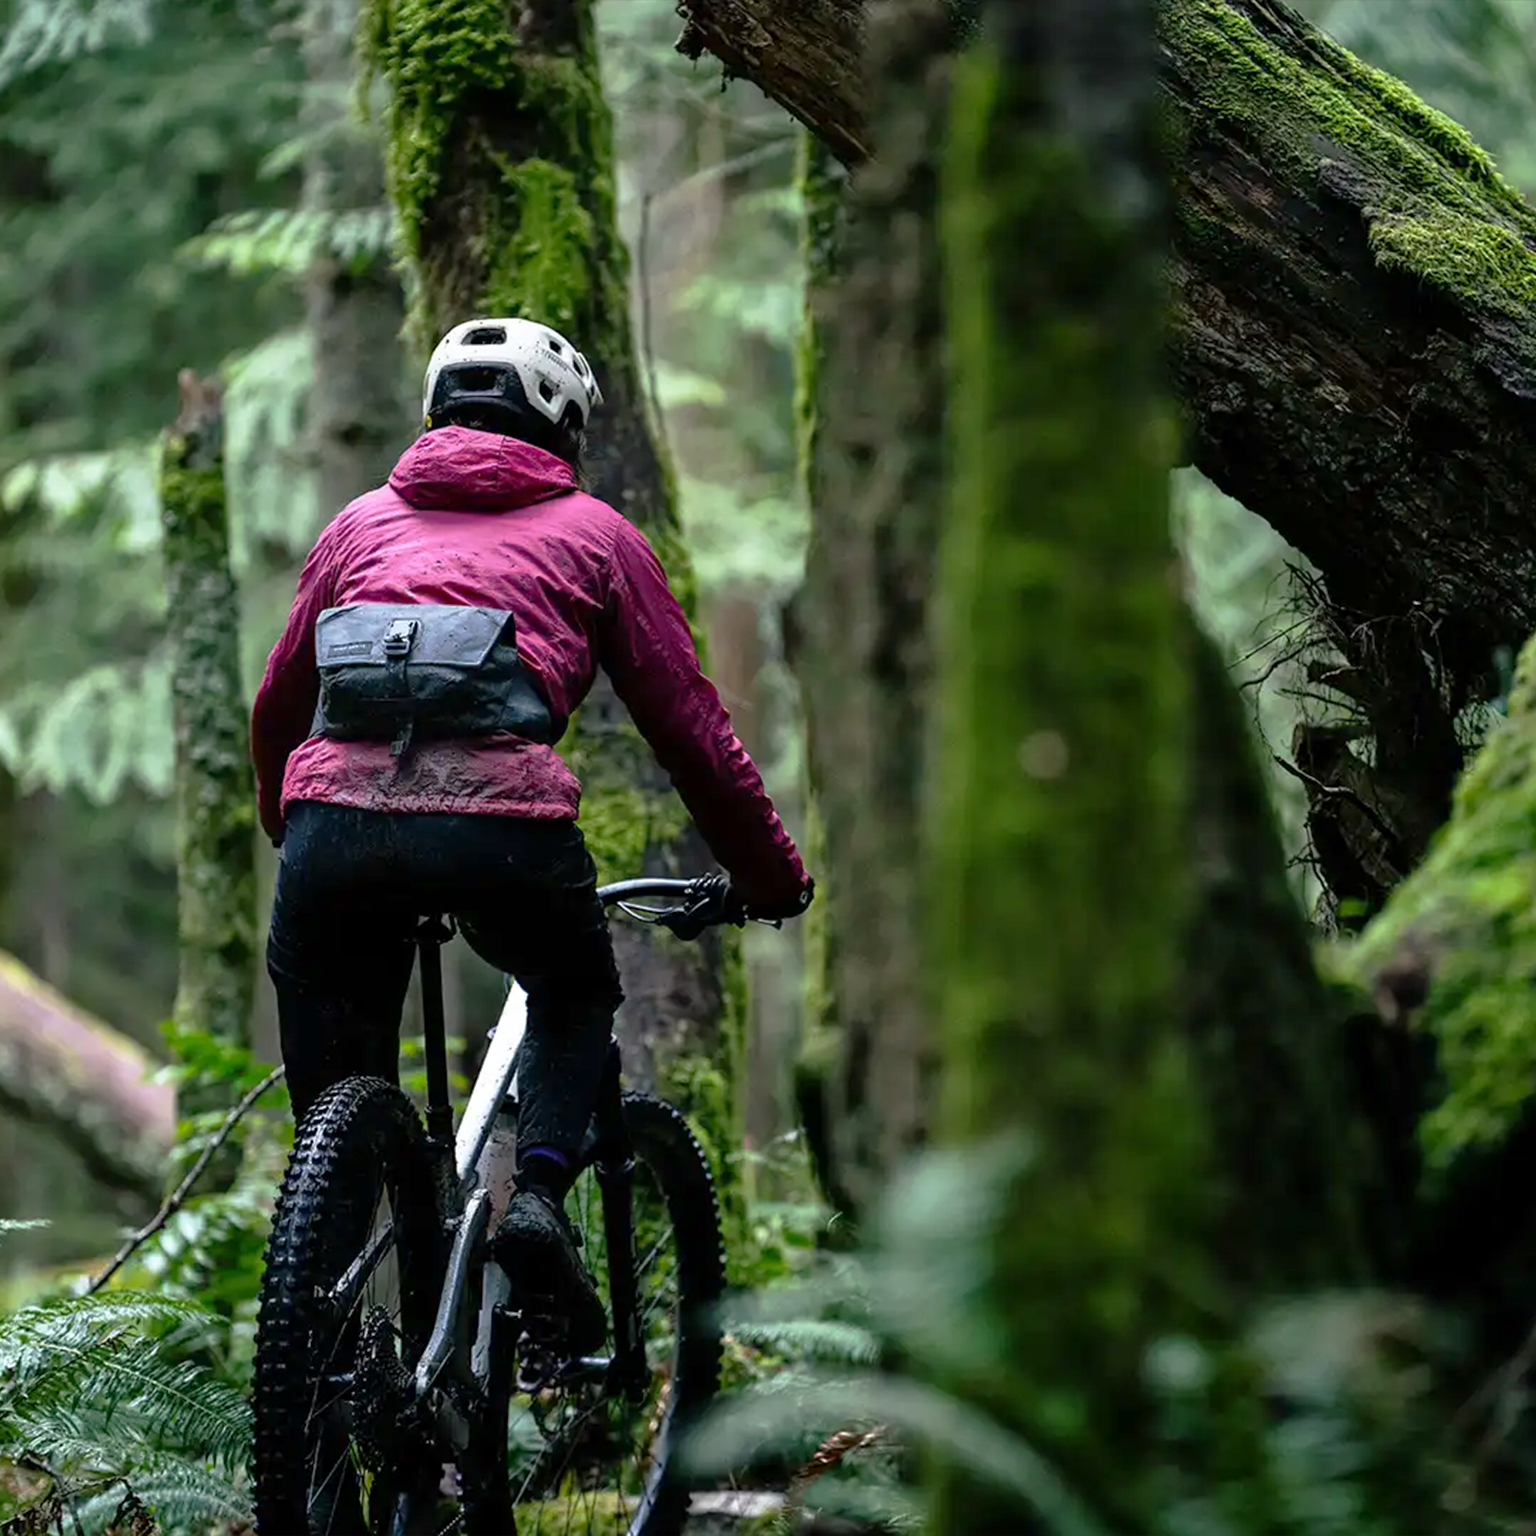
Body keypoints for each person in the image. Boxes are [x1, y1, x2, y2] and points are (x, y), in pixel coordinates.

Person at [251, 316, 812, 1348]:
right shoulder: (598, 535)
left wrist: (293, 825)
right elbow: (691, 732)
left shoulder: (357, 527)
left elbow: (280, 701)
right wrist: (770, 878)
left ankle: (328, 1370)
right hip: (502, 832)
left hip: (332, 829)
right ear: (566, 427)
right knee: (573, 989)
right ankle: (544, 1200)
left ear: (433, 412)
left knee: (333, 1120)